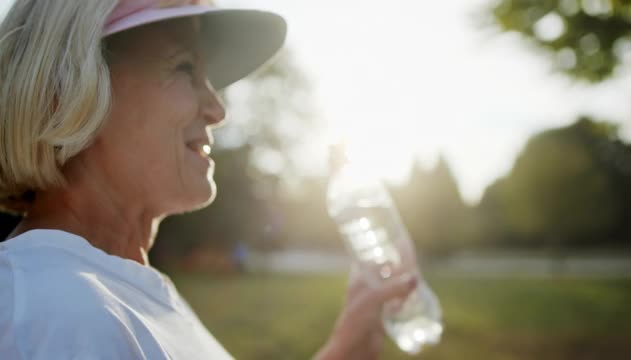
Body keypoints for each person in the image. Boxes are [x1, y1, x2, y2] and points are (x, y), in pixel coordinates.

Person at [0, 0, 417, 359]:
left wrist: (345, 348)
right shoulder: (58, 309)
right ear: (67, 92)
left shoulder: (115, 290)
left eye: (210, 80)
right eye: (183, 68)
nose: (218, 109)